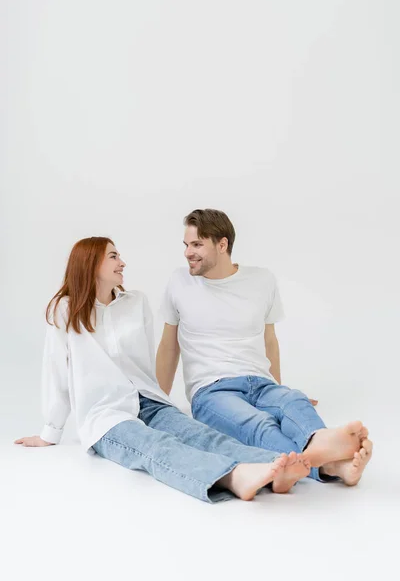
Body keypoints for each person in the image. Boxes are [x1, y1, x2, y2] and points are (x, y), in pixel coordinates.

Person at [15, 236, 314, 503]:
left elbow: (145, 360)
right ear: (90, 263)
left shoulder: (136, 303)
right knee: (157, 447)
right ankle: (234, 478)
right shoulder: (65, 311)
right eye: (113, 256)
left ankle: (277, 465)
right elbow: (56, 371)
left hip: (148, 399)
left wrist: (162, 399)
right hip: (105, 414)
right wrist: (50, 432)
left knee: (203, 436)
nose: (123, 263)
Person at [156, 209, 373, 485]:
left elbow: (270, 340)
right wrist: (158, 402)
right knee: (258, 424)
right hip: (211, 390)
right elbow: (168, 345)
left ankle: (328, 458)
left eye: (197, 244)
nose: (188, 252)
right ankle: (324, 464)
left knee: (293, 401)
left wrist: (279, 391)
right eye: (186, 245)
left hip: (261, 382)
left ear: (222, 245)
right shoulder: (179, 282)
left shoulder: (262, 280)